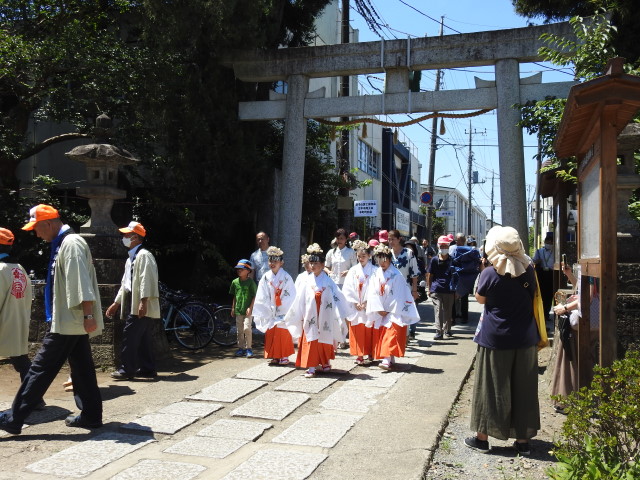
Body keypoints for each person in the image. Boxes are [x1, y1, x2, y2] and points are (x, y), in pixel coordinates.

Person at [0, 204, 104, 435]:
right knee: (82, 370)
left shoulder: (71, 243)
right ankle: (91, 415)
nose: (36, 234)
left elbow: (81, 283)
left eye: (36, 228)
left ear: (48, 223)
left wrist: (88, 314)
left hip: (70, 319)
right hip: (69, 319)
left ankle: (14, 418)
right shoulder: (63, 243)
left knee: (40, 369)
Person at [464, 225, 540, 456]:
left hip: (495, 338)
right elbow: (533, 296)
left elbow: (480, 299)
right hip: (525, 337)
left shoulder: (489, 273)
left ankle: (482, 438)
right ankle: (523, 441)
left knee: (491, 387)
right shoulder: (529, 271)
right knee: (524, 387)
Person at [285, 244, 350, 377]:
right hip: (310, 315)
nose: (313, 266)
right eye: (311, 263)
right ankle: (312, 366)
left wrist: (340, 313)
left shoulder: (328, 281)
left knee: (325, 338)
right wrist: (301, 313)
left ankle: (324, 362)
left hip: (325, 314)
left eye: (316, 263)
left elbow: (337, 297)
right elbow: (300, 299)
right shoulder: (306, 280)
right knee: (312, 338)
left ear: (322, 264)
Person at [107, 221, 161, 380]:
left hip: (139, 302)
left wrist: (143, 302)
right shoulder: (132, 257)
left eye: (127, 235)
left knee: (130, 335)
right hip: (134, 301)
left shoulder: (144, 255)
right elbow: (126, 283)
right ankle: (147, 369)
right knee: (143, 338)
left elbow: (147, 280)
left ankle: (127, 369)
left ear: (136, 237)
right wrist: (116, 303)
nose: (124, 237)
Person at [550, 262, 600, 412]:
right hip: (594, 321)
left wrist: (564, 307)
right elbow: (581, 288)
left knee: (570, 359)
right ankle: (586, 399)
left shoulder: (590, 266)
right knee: (587, 359)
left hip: (582, 322)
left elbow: (588, 296)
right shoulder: (593, 264)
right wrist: (569, 274)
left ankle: (569, 401)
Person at [366, 244, 420, 370]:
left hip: (394, 310)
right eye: (379, 259)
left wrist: (389, 309)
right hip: (381, 309)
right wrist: (379, 308)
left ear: (389, 259)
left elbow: (399, 295)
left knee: (390, 333)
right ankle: (389, 358)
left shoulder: (397, 275)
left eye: (384, 259)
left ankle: (386, 360)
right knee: (382, 333)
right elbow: (372, 292)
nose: (381, 263)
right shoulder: (375, 274)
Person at [252, 246, 296, 365]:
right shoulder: (266, 277)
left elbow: (290, 295)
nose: (272, 263)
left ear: (281, 263)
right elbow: (262, 294)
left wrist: (281, 305)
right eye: (271, 261)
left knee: (282, 331)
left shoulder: (286, 277)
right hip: (270, 308)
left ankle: (284, 355)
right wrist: (268, 306)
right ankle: (275, 355)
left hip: (283, 308)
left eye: (275, 261)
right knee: (272, 331)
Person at [0, 228, 33, 383]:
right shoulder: (20, 268)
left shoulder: (1, 269)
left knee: (21, 362)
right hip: (18, 323)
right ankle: (34, 397)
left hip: (3, 324)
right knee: (22, 361)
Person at [342, 240, 377, 365]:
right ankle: (359, 354)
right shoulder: (353, 270)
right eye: (359, 256)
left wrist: (367, 301)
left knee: (369, 330)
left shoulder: (375, 270)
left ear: (369, 256)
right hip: (355, 305)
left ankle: (370, 352)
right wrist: (355, 301)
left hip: (369, 305)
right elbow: (348, 288)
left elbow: (376, 289)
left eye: (364, 256)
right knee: (357, 330)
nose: (361, 258)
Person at [387, 230, 420, 338]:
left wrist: (414, 290)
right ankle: (393, 336)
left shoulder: (408, 253)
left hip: (406, 287)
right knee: (391, 313)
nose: (391, 241)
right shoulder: (387, 253)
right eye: (389, 239)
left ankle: (404, 336)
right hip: (390, 289)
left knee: (404, 312)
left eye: (393, 239)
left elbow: (414, 274)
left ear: (399, 239)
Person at [427, 235, 455, 340]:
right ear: (439, 246)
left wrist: (456, 290)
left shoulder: (452, 260)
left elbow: (455, 276)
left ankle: (447, 329)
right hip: (436, 289)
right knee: (438, 310)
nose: (444, 248)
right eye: (442, 246)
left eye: (445, 246)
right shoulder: (434, 260)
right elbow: (430, 275)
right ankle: (439, 332)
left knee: (447, 311)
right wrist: (429, 289)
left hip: (449, 290)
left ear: (448, 246)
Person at [229, 259, 257, 358]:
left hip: (248, 310)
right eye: (238, 269)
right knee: (239, 330)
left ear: (248, 271)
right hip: (238, 309)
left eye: (242, 269)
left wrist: (250, 307)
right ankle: (240, 348)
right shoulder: (235, 282)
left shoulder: (251, 283)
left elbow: (254, 296)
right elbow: (235, 296)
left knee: (247, 328)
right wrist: (233, 308)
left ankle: (248, 348)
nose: (239, 271)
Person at [532, 232, 554, 321]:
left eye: (551, 241)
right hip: (541, 274)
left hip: (551, 274)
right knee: (542, 295)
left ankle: (546, 314)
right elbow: (533, 261)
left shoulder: (555, 252)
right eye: (548, 241)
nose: (549, 243)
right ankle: (541, 314)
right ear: (545, 241)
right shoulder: (539, 251)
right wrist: (537, 261)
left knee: (549, 296)